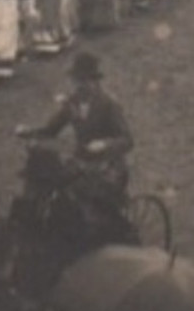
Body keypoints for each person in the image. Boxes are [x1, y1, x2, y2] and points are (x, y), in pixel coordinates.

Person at [17, 51, 134, 201]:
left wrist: (104, 144)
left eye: (84, 81)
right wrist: (29, 132)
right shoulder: (74, 101)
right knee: (47, 181)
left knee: (76, 194)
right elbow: (52, 129)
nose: (80, 86)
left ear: (95, 81)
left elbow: (127, 140)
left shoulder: (109, 104)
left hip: (109, 169)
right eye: (77, 81)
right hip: (82, 164)